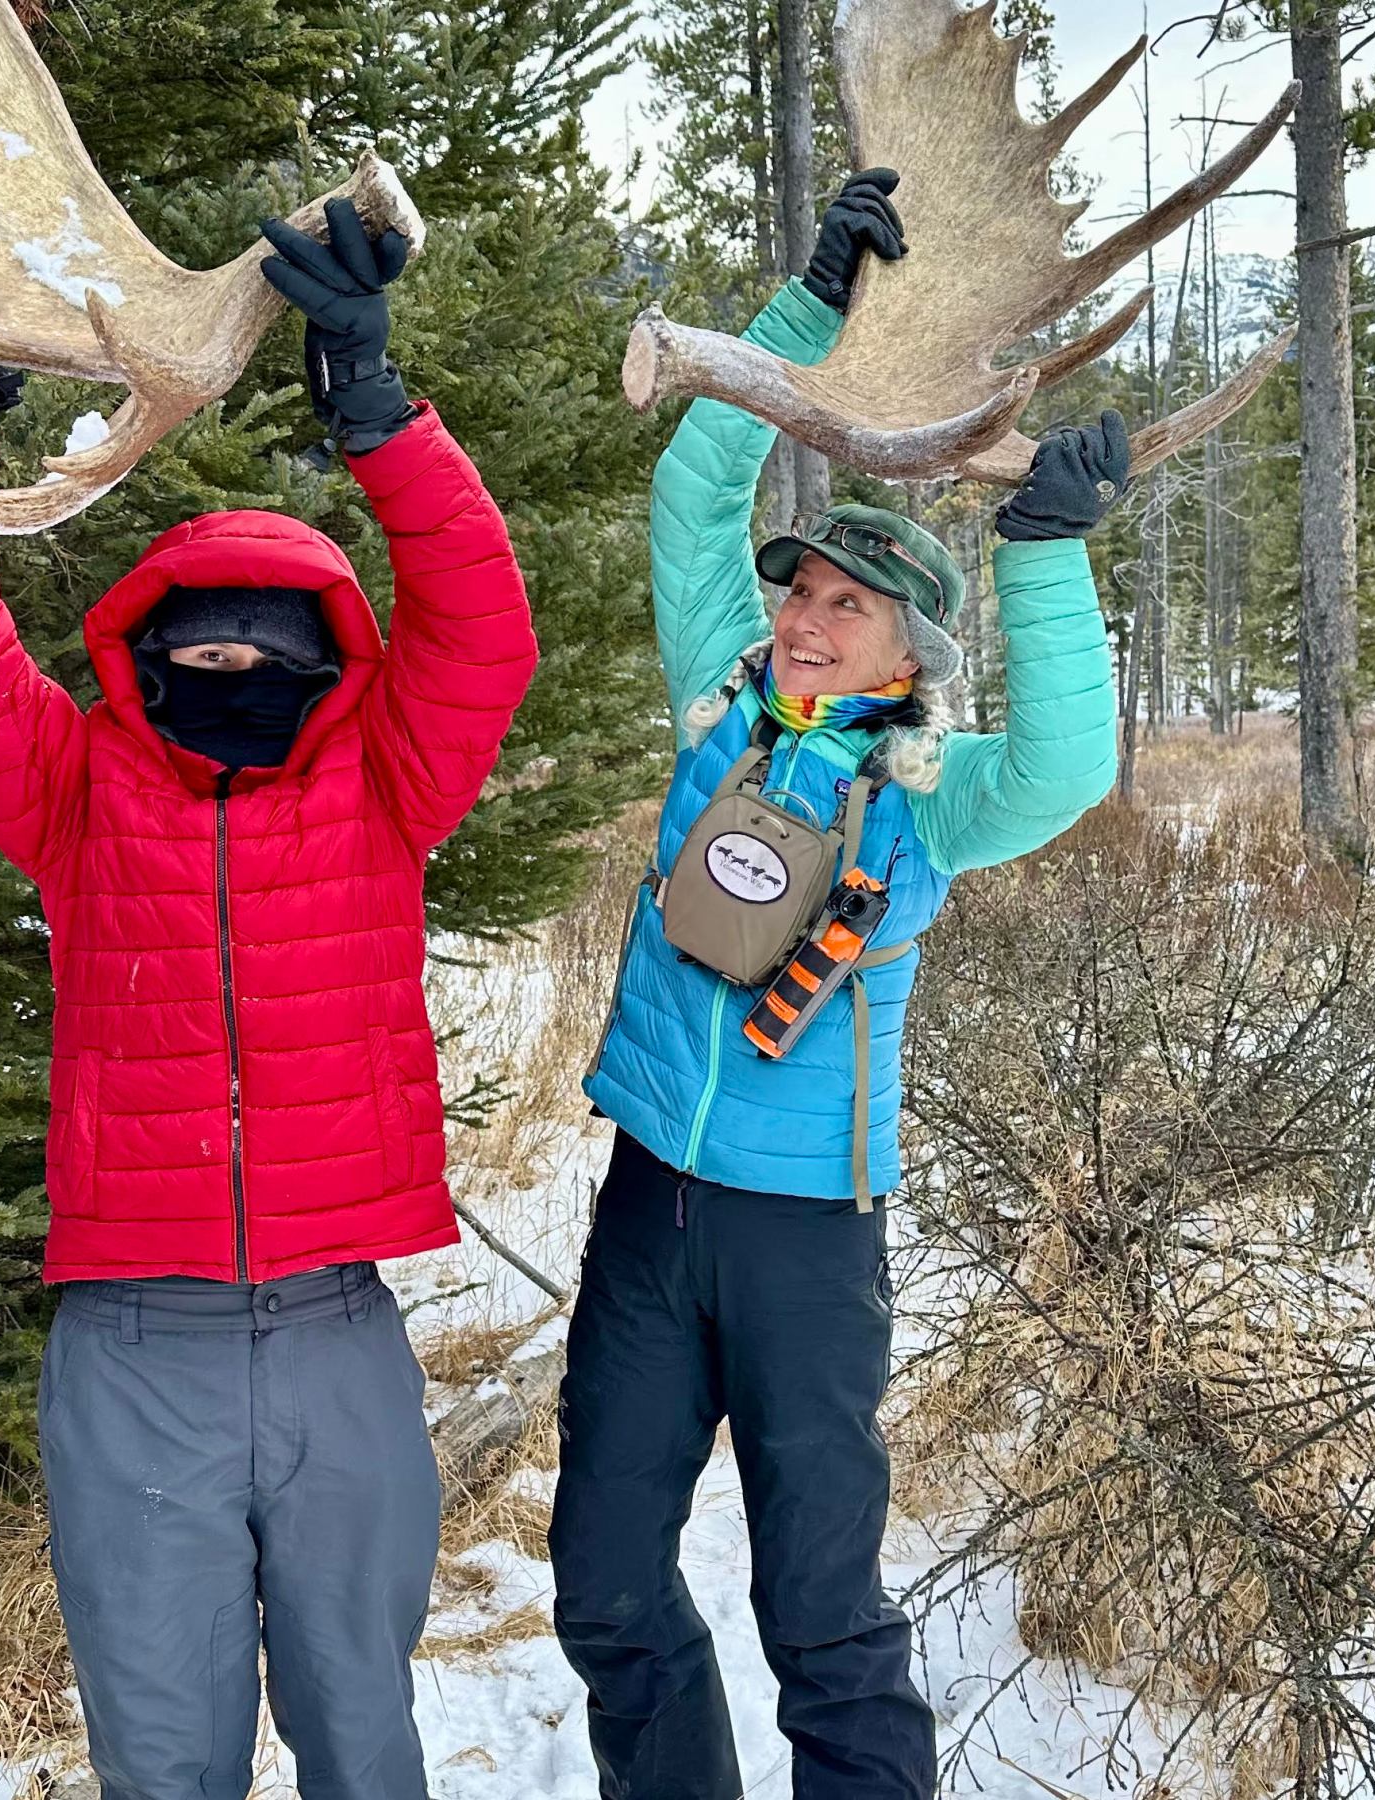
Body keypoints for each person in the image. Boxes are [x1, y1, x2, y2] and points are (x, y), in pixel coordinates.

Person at [0, 202, 536, 1800]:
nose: (232, 683)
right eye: (197, 659)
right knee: (164, 1758)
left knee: (366, 1739)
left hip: (337, 1331)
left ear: (328, 661)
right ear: (139, 661)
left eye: (270, 658)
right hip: (133, 1348)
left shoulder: (385, 785)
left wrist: (379, 415)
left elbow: (480, 635)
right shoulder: (78, 791)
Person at [549, 169, 1126, 1800]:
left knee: (821, 1611)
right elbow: (695, 494)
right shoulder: (718, 709)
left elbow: (1074, 765)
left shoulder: (932, 800)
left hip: (807, 1238)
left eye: (846, 607)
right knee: (603, 1578)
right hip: (651, 1205)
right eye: (802, 589)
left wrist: (1044, 555)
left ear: (903, 657)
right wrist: (804, 317)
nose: (804, 618)